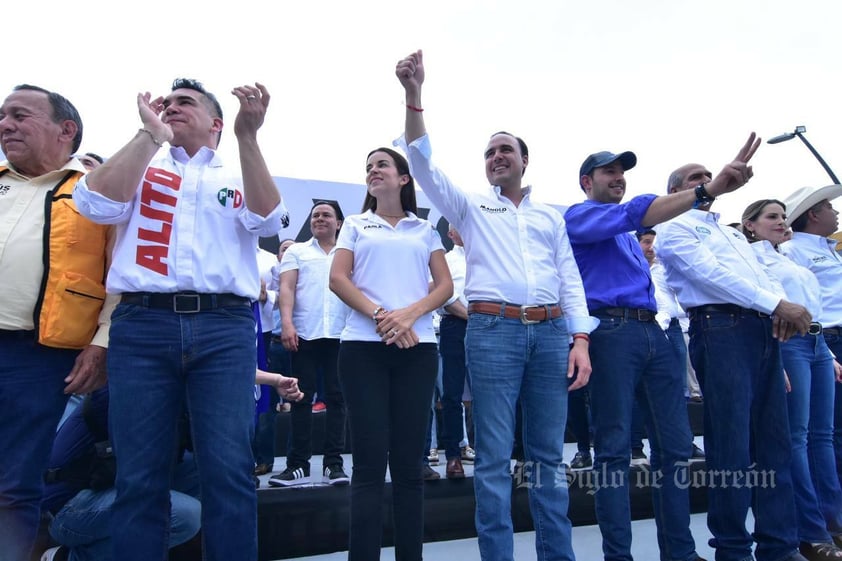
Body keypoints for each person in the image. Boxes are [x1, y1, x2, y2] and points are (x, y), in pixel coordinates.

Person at [72, 78, 289, 561]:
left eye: (184, 103)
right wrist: (148, 135)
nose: (170, 108)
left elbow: (270, 222)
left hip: (223, 328)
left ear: (216, 123)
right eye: (166, 103)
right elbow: (94, 204)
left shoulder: (234, 171)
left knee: (229, 469)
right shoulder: (143, 166)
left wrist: (248, 137)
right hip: (142, 326)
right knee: (139, 473)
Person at [396, 49, 595, 561]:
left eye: (506, 149)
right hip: (493, 334)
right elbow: (419, 162)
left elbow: (569, 279)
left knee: (550, 457)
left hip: (552, 335)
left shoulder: (551, 217)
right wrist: (414, 95)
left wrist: (581, 339)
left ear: (525, 160)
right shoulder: (471, 206)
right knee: (491, 460)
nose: (497, 157)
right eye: (490, 152)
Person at [565, 140, 756, 561]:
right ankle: (619, 556)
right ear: (586, 182)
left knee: (674, 448)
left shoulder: (630, 237)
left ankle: (681, 554)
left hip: (655, 333)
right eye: (608, 172)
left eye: (622, 171)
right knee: (614, 450)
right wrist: (709, 190)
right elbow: (635, 211)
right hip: (611, 331)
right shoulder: (578, 216)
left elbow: (636, 221)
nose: (618, 178)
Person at [656, 161, 812, 561]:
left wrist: (779, 306)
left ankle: (779, 545)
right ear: (676, 190)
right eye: (695, 179)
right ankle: (733, 549)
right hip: (720, 327)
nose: (706, 183)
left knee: (775, 444)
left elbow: (764, 274)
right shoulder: (675, 227)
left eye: (708, 176)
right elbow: (709, 275)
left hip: (762, 332)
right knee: (732, 447)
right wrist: (777, 303)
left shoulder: (732, 235)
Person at [0, 84, 116, 561]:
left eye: (20, 116)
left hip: (39, 357)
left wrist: (102, 343)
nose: (5, 124)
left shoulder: (97, 196)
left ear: (65, 130)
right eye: (3, 116)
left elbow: (120, 279)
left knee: (13, 484)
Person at [329, 146, 453, 560]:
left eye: (381, 164)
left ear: (403, 178)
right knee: (367, 466)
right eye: (368, 167)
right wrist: (385, 318)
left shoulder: (424, 229)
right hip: (363, 350)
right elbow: (338, 278)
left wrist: (409, 316)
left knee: (407, 467)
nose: (373, 171)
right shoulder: (355, 225)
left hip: (418, 351)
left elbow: (443, 287)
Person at [742, 198, 842, 560]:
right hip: (786, 344)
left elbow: (812, 307)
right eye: (772, 217)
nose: (782, 222)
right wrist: (775, 359)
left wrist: (828, 355)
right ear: (750, 225)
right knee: (797, 439)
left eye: (784, 216)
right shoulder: (751, 258)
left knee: (823, 437)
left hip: (815, 344)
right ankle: (811, 532)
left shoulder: (788, 258)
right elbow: (759, 308)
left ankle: (834, 524)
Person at [270, 200, 351, 487]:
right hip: (303, 334)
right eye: (316, 215)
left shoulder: (348, 253)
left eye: (326, 215)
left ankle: (334, 464)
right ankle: (297, 465)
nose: (319, 219)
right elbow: (287, 288)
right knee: (300, 399)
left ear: (338, 223)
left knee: (337, 400)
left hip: (341, 335)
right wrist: (288, 324)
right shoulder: (297, 252)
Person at [780, 185, 842, 491]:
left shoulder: (828, 249)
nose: (836, 212)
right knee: (826, 430)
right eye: (830, 207)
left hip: (830, 341)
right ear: (814, 214)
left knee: (829, 431)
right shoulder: (793, 251)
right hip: (822, 338)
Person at [438, 224, 474, 479]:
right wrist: (474, 318)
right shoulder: (445, 260)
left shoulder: (487, 255)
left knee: (490, 394)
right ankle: (453, 456)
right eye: (458, 226)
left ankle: (490, 453)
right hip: (455, 327)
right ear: (451, 234)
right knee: (452, 394)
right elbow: (445, 295)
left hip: (492, 328)